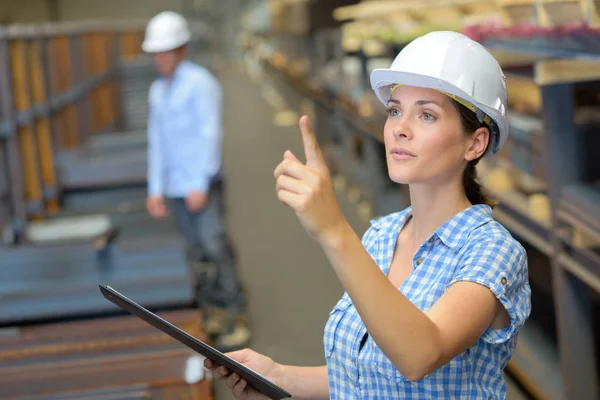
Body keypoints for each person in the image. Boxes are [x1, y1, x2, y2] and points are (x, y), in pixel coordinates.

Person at [205, 30, 532, 399]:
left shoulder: (492, 252)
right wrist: (279, 377)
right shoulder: (382, 236)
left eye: (426, 114)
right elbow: (370, 375)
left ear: (475, 143)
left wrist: (334, 229)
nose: (399, 129)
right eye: (395, 110)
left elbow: (420, 354)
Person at [142, 11, 250, 351]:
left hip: (200, 186)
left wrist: (200, 183)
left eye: (165, 51)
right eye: (155, 53)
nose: (159, 58)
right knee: (196, 252)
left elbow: (209, 133)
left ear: (181, 49)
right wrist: (155, 188)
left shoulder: (200, 83)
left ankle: (237, 313)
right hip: (175, 188)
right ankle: (214, 310)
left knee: (215, 245)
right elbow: (157, 141)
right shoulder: (158, 91)